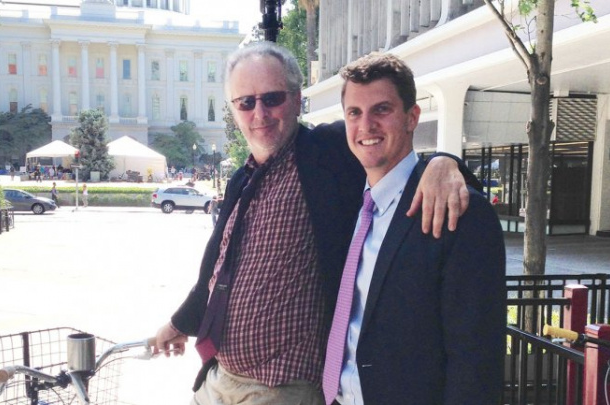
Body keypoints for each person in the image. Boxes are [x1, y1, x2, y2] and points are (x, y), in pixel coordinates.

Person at [154, 42, 475, 405]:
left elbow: (387, 144)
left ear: (296, 99)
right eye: (245, 102)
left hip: (282, 388)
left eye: (272, 98)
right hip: (218, 377)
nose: (259, 113)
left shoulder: (328, 150)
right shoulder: (240, 180)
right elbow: (216, 271)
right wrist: (179, 324)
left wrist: (444, 163)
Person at [321, 53, 506, 405]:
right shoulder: (347, 203)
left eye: (382, 109)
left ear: (412, 117)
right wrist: (446, 159)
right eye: (354, 113)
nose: (366, 125)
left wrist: (445, 162)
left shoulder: (458, 212)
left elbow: (476, 359)